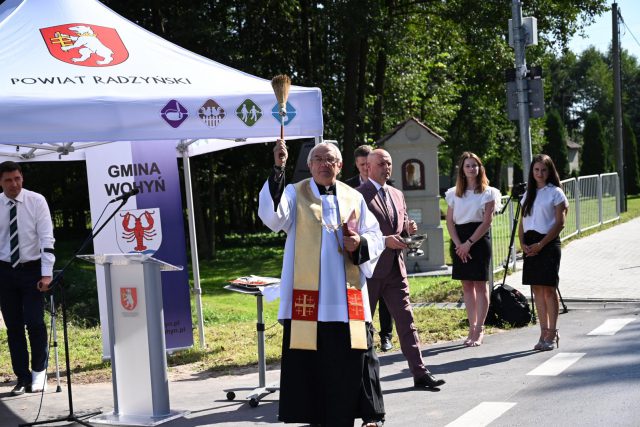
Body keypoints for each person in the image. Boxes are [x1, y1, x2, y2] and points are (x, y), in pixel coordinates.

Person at [258, 140, 386, 426]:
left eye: (331, 160)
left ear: (340, 166)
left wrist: (360, 243)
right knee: (312, 371)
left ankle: (351, 417)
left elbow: (375, 236)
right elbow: (272, 216)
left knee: (349, 366)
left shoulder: (354, 197)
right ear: (310, 165)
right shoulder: (294, 193)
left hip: (346, 302)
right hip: (309, 305)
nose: (324, 165)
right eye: (318, 159)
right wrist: (278, 168)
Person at [357, 148, 446, 389]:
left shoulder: (397, 194)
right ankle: (357, 378)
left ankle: (420, 372)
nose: (387, 167)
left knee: (407, 322)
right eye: (382, 163)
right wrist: (385, 239)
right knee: (363, 325)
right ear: (369, 167)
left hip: (396, 269)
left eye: (389, 163)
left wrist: (408, 228)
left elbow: (401, 224)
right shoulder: (357, 195)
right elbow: (355, 234)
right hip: (370, 271)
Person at [0, 161, 55, 395]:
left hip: (32, 270)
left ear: (22, 177)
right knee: (13, 327)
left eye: (17, 179)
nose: (14, 184)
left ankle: (39, 373)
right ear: (0, 182)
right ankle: (21, 377)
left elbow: (46, 238)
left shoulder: (36, 200)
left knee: (34, 322)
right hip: (4, 271)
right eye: (8, 180)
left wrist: (47, 273)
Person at [445, 152, 501, 347]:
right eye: (468, 165)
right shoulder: (453, 193)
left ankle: (480, 329)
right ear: (462, 169)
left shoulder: (489, 192)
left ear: (480, 168)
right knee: (467, 286)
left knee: (480, 285)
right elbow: (450, 222)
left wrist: (469, 243)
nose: (471, 169)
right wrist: (459, 244)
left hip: (477, 239)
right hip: (459, 240)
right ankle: (471, 326)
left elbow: (487, 221)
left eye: (475, 165)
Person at [345, 144, 395, 352]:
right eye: (362, 165)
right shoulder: (348, 191)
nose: (366, 168)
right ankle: (364, 338)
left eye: (369, 164)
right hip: (363, 253)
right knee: (366, 300)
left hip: (386, 251)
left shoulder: (389, 187)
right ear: (357, 165)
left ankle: (386, 336)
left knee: (387, 301)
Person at [518, 154, 568, 351]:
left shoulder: (555, 193)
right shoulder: (527, 194)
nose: (539, 173)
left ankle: (552, 333)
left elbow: (560, 222)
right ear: (532, 171)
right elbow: (523, 222)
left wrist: (541, 244)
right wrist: (522, 243)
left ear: (550, 171)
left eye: (543, 170)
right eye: (536, 170)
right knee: (536, 290)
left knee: (548, 289)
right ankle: (543, 331)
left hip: (547, 243)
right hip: (531, 245)